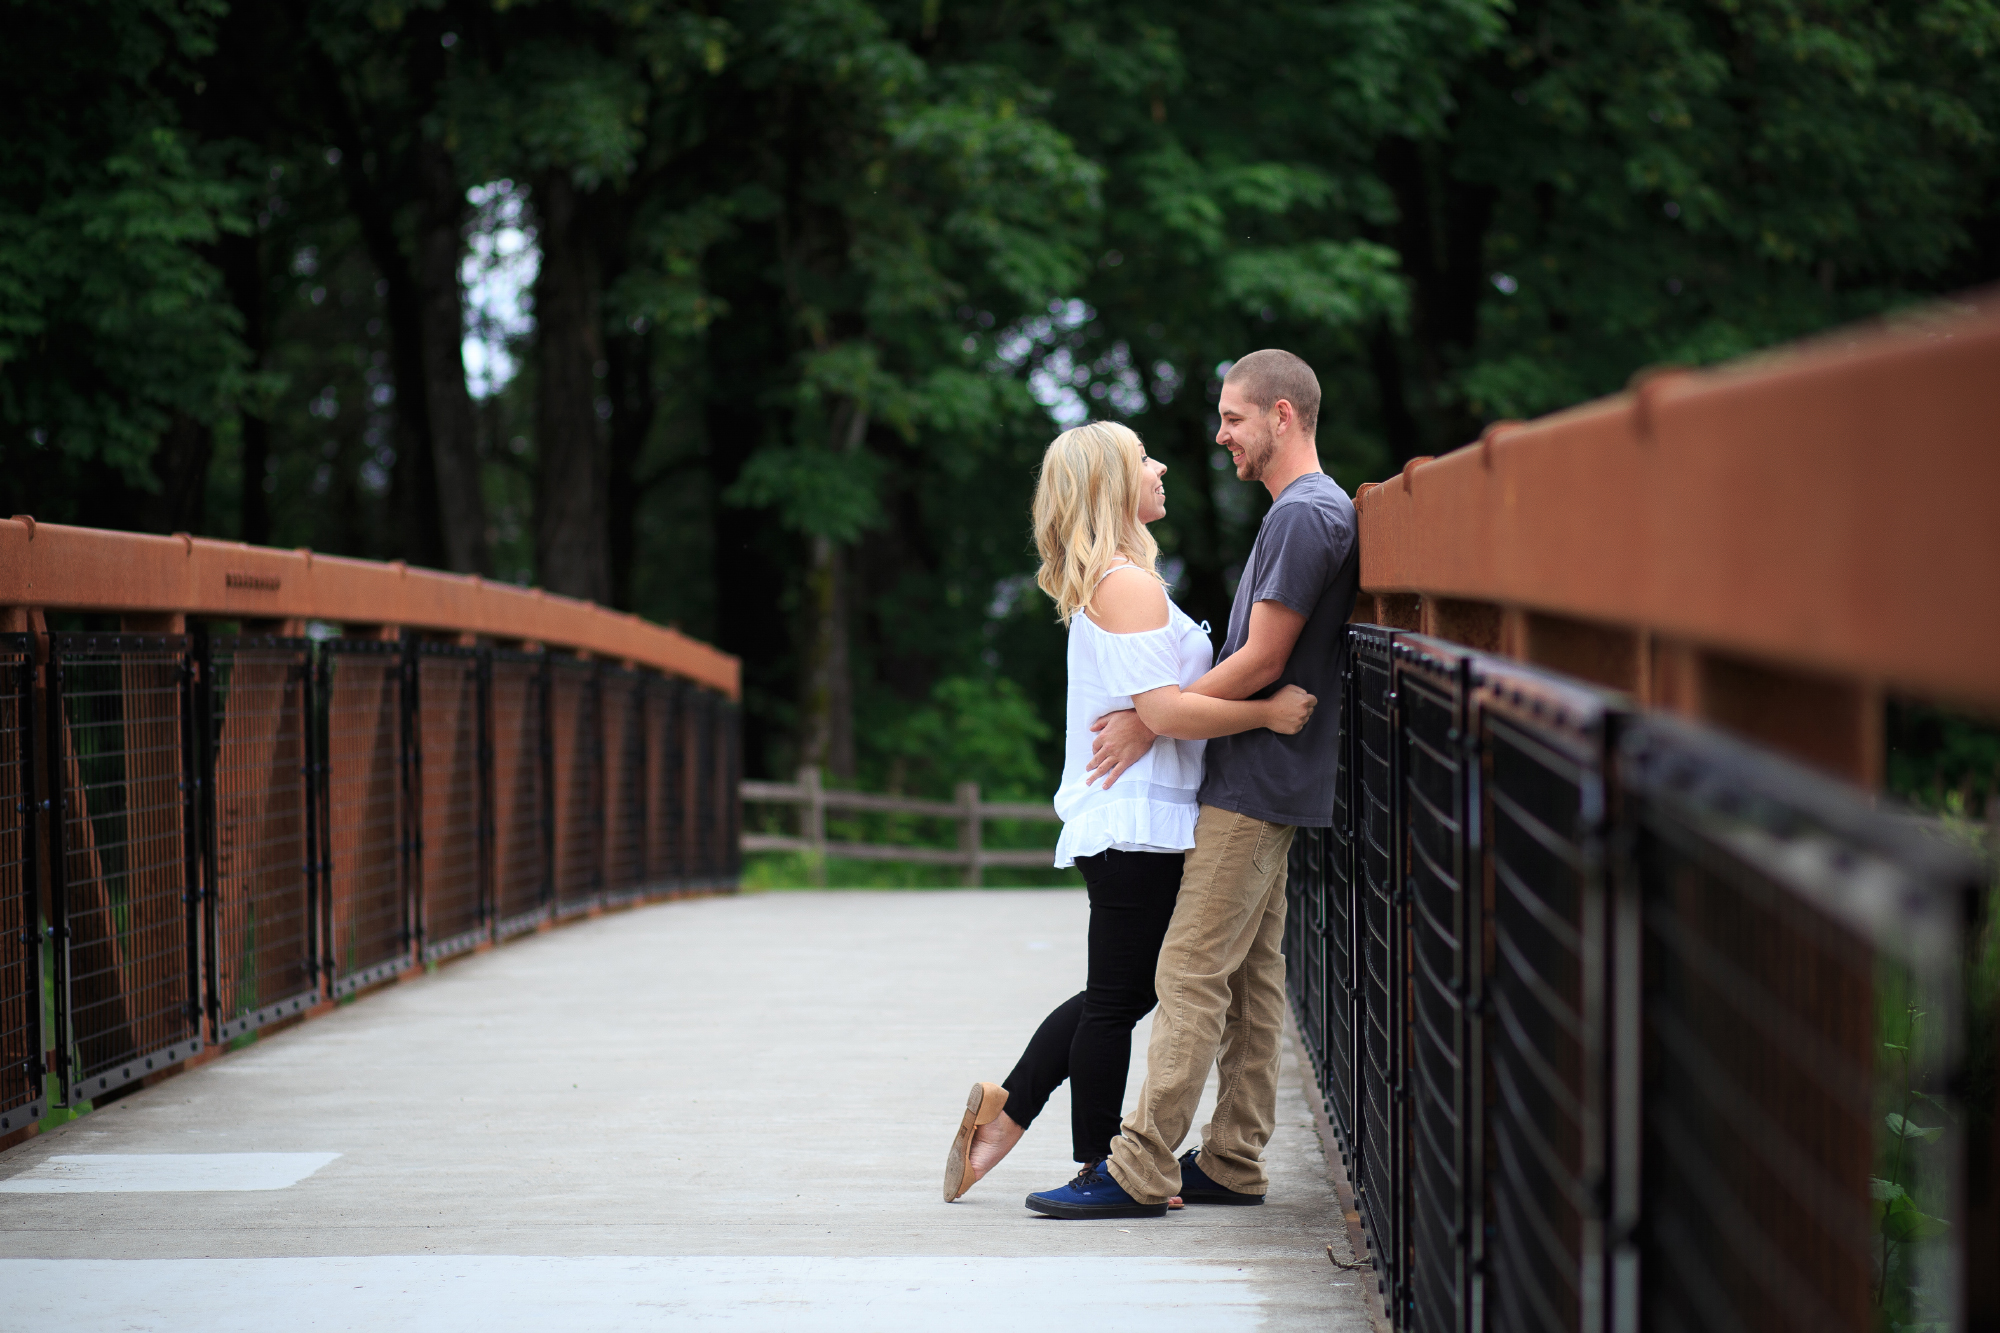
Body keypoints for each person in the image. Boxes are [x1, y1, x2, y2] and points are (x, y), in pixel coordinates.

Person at [943, 419, 1316, 1205]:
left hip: (1138, 816)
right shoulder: (1128, 586)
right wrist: (1267, 712)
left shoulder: (1123, 580)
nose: (1162, 466)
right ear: (1112, 483)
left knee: (1125, 990)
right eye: (1144, 459)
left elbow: (1156, 711)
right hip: (1134, 819)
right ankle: (1094, 1164)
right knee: (1120, 997)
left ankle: (1011, 1109)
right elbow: (1166, 713)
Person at [1023, 349, 1358, 1220]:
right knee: (1249, 979)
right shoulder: (1308, 510)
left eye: (1233, 417)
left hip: (1252, 782)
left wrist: (1155, 719)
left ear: (1282, 415)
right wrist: (1165, 715)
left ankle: (1138, 1168)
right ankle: (1233, 1158)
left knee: (1189, 974)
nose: (1218, 436)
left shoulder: (1303, 513)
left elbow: (1265, 658)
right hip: (1261, 775)